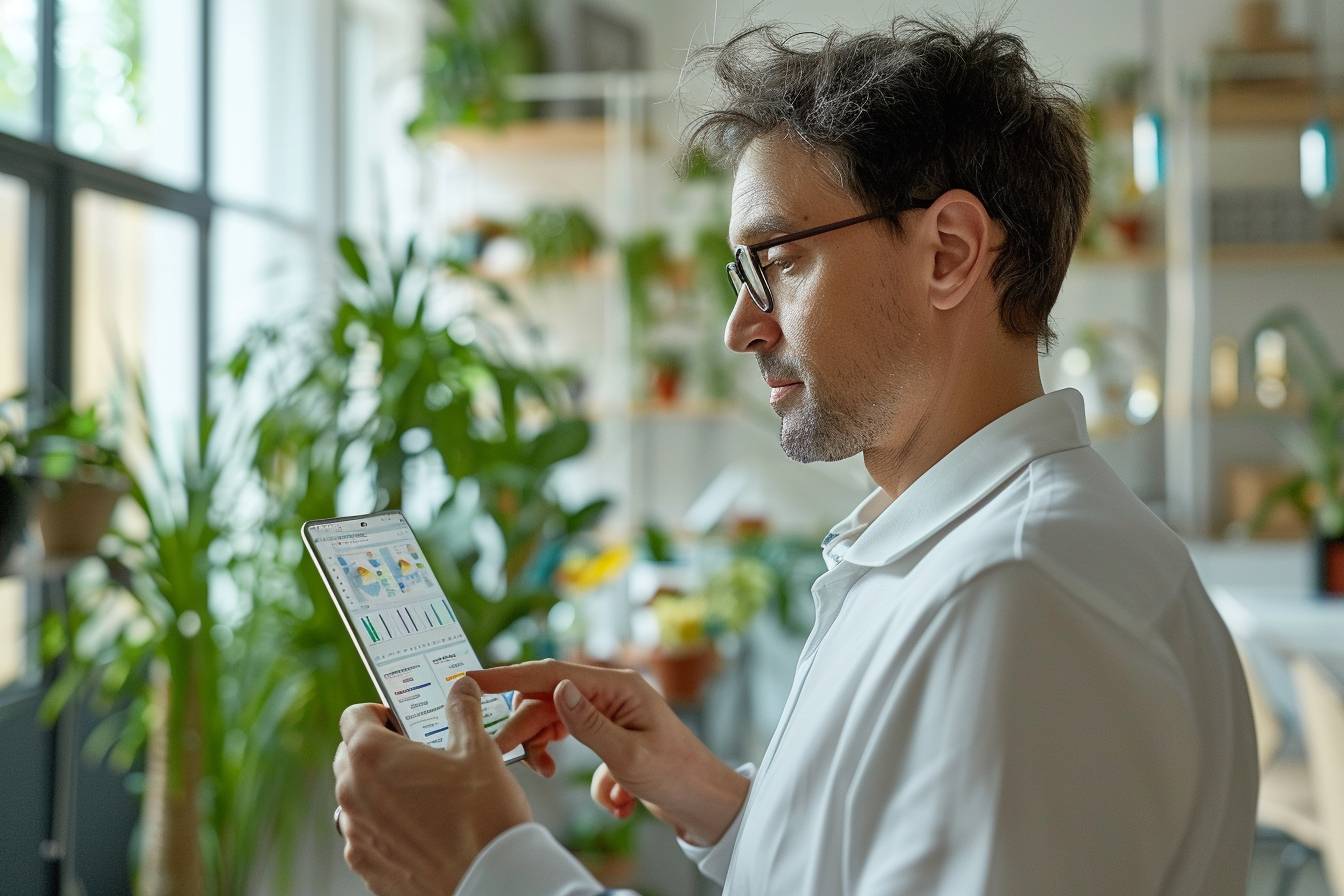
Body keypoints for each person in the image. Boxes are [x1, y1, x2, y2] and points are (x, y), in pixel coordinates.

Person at [331, 17, 1258, 896]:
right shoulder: (962, 558)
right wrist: (730, 807)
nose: (741, 326)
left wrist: (486, 866)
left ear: (948, 253)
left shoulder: (1019, 595)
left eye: (775, 260)